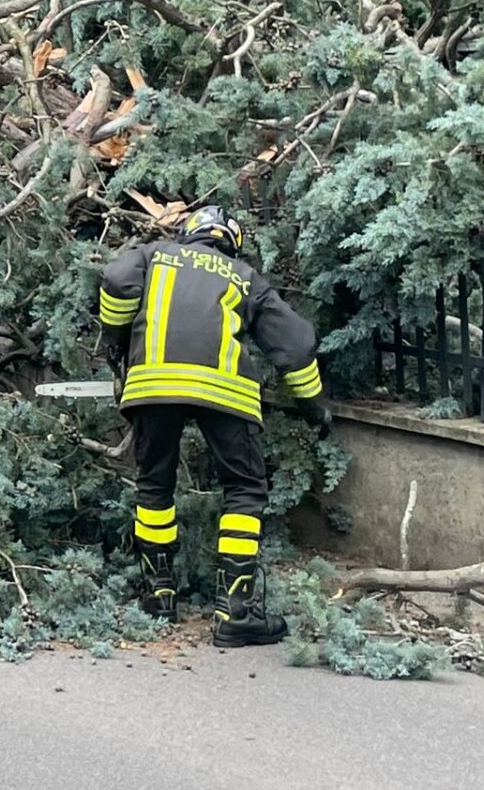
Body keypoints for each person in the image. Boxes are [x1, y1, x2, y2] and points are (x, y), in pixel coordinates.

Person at [97, 205, 330, 646]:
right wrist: (314, 404)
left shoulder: (153, 255)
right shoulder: (244, 276)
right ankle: (235, 612)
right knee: (244, 489)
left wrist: (116, 338)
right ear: (231, 242)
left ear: (189, 233)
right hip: (224, 392)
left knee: (154, 486)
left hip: (153, 385)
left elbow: (114, 279)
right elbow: (296, 345)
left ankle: (159, 596)